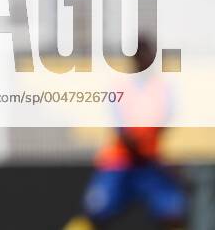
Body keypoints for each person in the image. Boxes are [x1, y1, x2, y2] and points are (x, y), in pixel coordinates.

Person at [64, 39, 187, 230]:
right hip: (120, 162)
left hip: (150, 165)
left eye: (148, 54)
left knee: (172, 214)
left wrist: (162, 160)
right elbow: (123, 133)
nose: (146, 59)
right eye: (141, 54)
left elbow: (164, 126)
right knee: (93, 214)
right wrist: (155, 159)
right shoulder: (120, 87)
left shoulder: (163, 88)